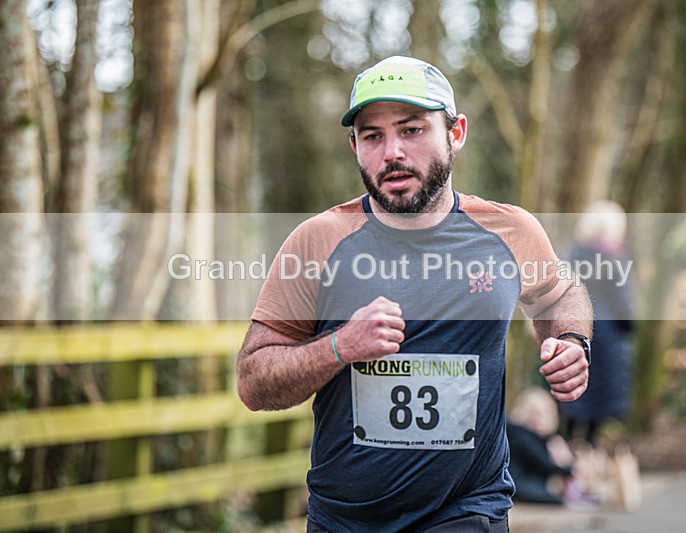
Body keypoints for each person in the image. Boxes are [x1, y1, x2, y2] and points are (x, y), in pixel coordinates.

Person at [236, 56, 592, 532]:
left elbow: (560, 296)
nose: (392, 152)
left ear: (456, 133)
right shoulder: (317, 241)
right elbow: (253, 382)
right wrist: (339, 347)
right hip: (344, 519)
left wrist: (571, 342)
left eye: (412, 130)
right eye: (372, 136)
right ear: (354, 147)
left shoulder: (509, 230)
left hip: (467, 509)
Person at [559, 201, 635, 446]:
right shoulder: (615, 258)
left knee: (574, 389)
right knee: (599, 399)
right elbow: (623, 301)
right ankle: (590, 452)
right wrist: (629, 326)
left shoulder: (571, 253)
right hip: (607, 335)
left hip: (573, 330)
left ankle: (568, 448)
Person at [507, 387, 593, 507]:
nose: (541, 420)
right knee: (556, 501)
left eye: (546, 414)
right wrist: (568, 466)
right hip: (518, 486)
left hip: (521, 485)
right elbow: (545, 464)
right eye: (535, 413)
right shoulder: (522, 436)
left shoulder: (530, 437)